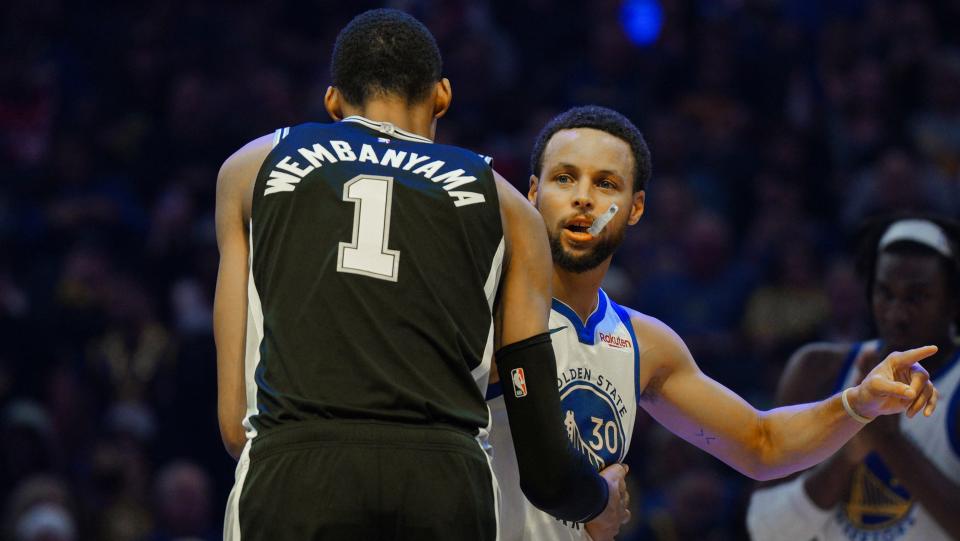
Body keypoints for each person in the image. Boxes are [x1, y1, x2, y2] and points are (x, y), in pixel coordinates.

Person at [212, 9, 627, 541]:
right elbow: (545, 467)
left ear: (334, 101)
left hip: (294, 472)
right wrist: (600, 497)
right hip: (444, 485)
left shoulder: (251, 167)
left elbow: (232, 423)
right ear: (443, 96)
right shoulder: (508, 206)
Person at [486, 106, 941, 541]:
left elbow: (761, 444)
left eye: (606, 184)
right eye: (564, 178)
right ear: (532, 193)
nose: (583, 197)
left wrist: (860, 403)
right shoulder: (484, 305)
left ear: (636, 207)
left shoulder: (645, 344)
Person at [747, 216, 960, 540]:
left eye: (916, 297)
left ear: (952, 301)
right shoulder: (818, 369)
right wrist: (848, 452)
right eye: (885, 293)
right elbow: (766, 531)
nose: (896, 313)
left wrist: (889, 441)